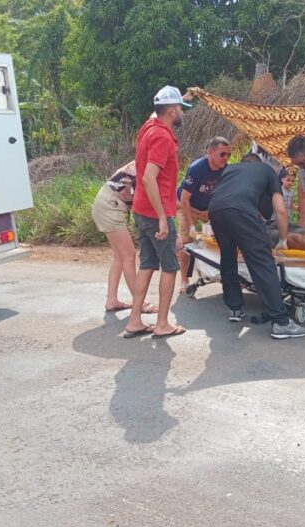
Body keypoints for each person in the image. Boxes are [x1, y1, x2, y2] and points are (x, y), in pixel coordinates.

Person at [207, 153, 305, 339]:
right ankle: (281, 322)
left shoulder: (230, 170)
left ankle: (235, 308)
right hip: (240, 210)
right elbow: (280, 210)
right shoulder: (267, 170)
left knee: (228, 258)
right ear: (259, 163)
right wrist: (283, 239)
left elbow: (224, 194)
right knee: (263, 262)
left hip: (215, 210)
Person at [124, 85, 191, 339]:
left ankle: (134, 320)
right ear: (172, 110)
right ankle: (162, 324)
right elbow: (151, 177)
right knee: (170, 267)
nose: (182, 113)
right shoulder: (163, 137)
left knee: (147, 264)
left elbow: (156, 112)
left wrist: (182, 98)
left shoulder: (148, 128)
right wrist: (163, 217)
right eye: (180, 109)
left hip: (141, 209)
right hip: (156, 212)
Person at [91, 160, 158, 314]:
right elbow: (141, 202)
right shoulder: (142, 168)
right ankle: (139, 302)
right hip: (110, 205)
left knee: (120, 257)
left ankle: (112, 300)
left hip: (108, 203)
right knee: (129, 255)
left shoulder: (143, 164)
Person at [177, 136, 231, 292]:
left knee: (220, 237)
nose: (226, 158)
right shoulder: (196, 169)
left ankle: (220, 273)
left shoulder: (226, 169)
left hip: (208, 208)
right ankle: (184, 280)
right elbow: (184, 199)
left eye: (228, 154)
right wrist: (192, 224)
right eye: (222, 154)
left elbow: (224, 195)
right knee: (187, 241)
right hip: (187, 206)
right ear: (210, 152)